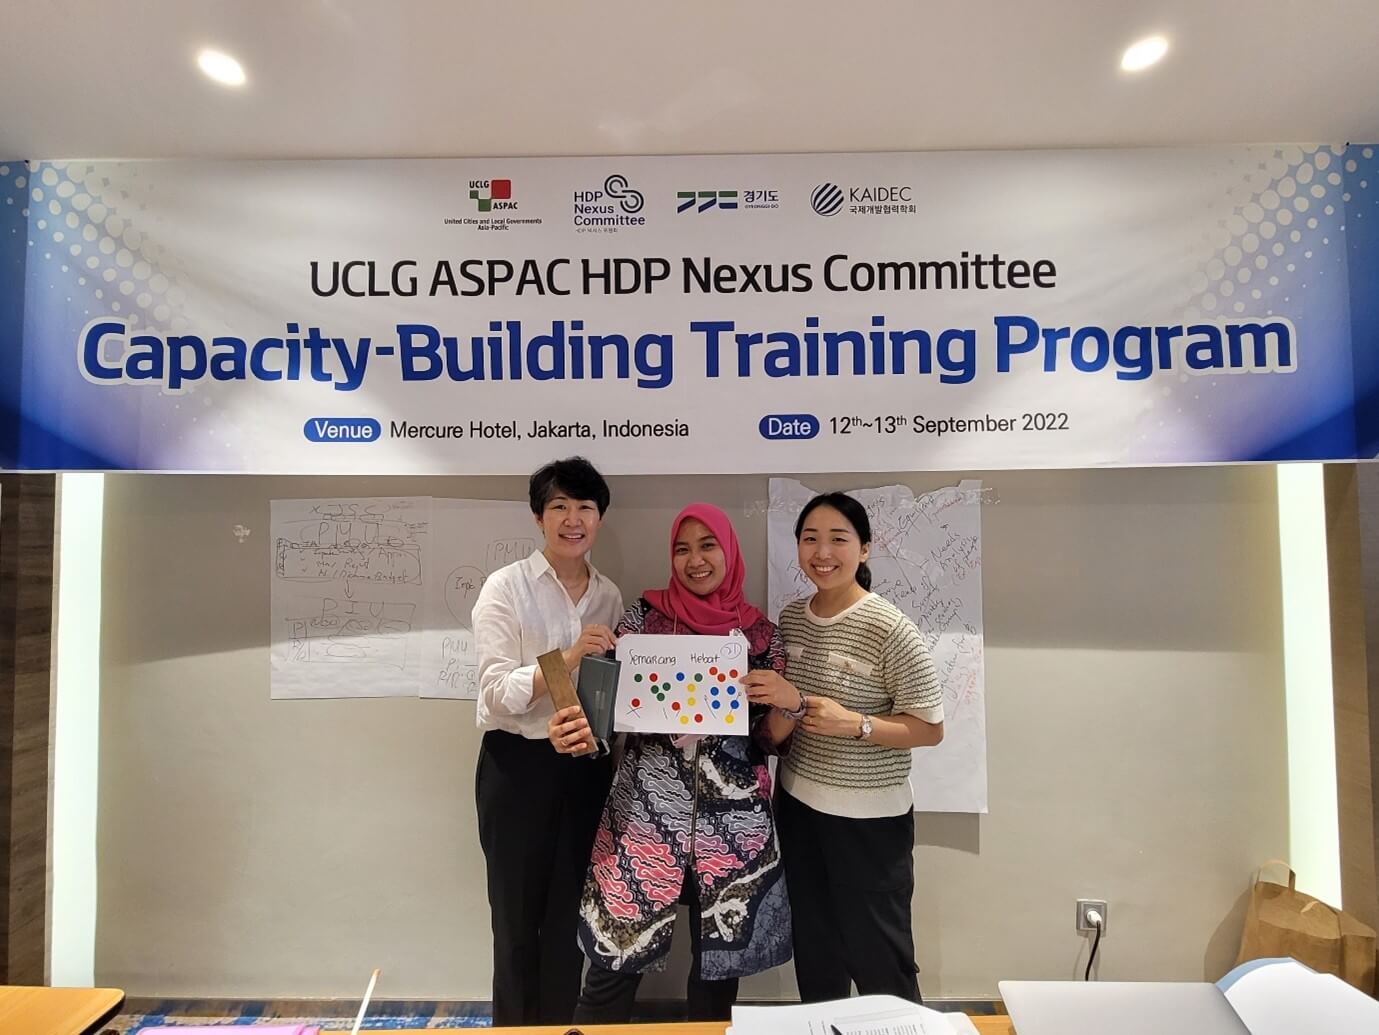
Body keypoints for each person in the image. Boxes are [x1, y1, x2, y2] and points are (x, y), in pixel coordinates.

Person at [548, 503, 799, 1022]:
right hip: (644, 819)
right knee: (614, 960)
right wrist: (582, 708)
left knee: (716, 975)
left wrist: (788, 702)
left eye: (708, 546)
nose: (695, 560)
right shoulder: (644, 618)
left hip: (732, 829)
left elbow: (768, 739)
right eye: (682, 549)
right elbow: (606, 712)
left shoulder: (760, 634)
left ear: (729, 552)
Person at [742, 491, 944, 1004]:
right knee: (817, 953)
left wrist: (857, 724)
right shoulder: (791, 619)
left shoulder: (889, 627)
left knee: (881, 963)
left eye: (838, 538)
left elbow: (929, 728)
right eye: (810, 539)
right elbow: (786, 711)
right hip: (798, 810)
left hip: (869, 823)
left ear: (865, 548)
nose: (823, 552)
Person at [471, 456, 623, 1026]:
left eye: (585, 507)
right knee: (514, 919)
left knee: (569, 918)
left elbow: (607, 692)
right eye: (559, 506)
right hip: (518, 766)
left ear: (600, 518)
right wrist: (571, 654)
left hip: (584, 768)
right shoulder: (505, 587)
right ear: (539, 517)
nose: (572, 519)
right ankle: (514, 1029)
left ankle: (560, 1026)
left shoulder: (610, 596)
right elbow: (494, 694)